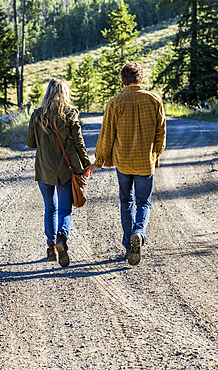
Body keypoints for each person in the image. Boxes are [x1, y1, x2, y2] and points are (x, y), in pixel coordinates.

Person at [86, 62, 166, 266]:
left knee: (126, 202)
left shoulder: (115, 103)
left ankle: (129, 243)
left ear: (123, 80)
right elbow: (161, 133)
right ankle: (139, 233)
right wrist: (155, 153)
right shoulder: (154, 100)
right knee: (144, 202)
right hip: (145, 163)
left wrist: (98, 162)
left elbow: (106, 136)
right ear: (141, 78)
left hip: (123, 163)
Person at [26, 78, 91, 267]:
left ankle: (50, 247)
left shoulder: (37, 115)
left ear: (47, 93)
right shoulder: (70, 114)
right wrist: (86, 164)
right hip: (65, 170)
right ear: (65, 93)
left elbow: (30, 143)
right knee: (64, 210)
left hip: (44, 170)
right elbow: (79, 142)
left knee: (50, 208)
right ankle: (61, 239)